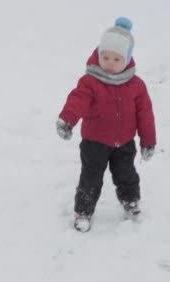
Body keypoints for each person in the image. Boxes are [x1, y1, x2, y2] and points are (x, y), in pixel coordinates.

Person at [56, 17, 157, 232]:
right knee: (90, 178)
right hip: (95, 143)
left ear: (128, 59)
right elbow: (77, 100)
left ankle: (131, 202)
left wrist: (148, 141)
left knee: (127, 175)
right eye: (105, 57)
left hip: (125, 144)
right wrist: (67, 119)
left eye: (116, 59)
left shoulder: (136, 86)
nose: (110, 64)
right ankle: (83, 211)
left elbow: (145, 115)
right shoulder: (90, 82)